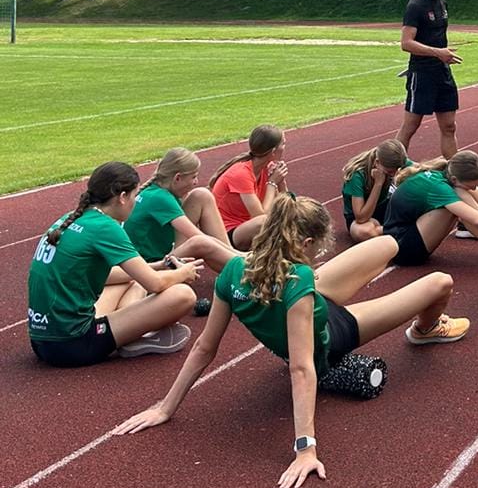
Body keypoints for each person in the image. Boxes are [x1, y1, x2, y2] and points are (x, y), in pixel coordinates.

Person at [114, 196, 470, 488]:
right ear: (307, 244)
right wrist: (305, 448)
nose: (320, 253)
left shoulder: (236, 271)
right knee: (440, 282)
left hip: (305, 299)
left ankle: (386, 306)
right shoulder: (298, 279)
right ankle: (426, 329)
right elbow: (301, 368)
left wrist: (165, 407)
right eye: (318, 248)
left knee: (387, 243)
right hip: (333, 334)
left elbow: (205, 347)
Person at [28, 161, 200, 366]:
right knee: (183, 295)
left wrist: (157, 265)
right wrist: (184, 273)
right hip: (74, 344)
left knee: (132, 281)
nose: (135, 202)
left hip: (42, 341)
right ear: (122, 197)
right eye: (134, 195)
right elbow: (155, 284)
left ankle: (129, 336)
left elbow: (110, 276)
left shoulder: (71, 218)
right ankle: (133, 338)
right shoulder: (106, 227)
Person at [124, 147, 234, 276]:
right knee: (200, 242)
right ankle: (239, 265)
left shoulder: (156, 191)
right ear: (177, 178)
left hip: (153, 259)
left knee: (201, 195)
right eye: (193, 177)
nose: (196, 182)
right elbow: (198, 237)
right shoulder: (161, 198)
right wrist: (241, 256)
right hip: (151, 267)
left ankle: (234, 258)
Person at [381, 149, 478, 264]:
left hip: (404, 235)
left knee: (462, 194)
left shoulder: (446, 174)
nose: (474, 189)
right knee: (458, 203)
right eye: (472, 186)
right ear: (454, 179)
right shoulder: (439, 187)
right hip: (403, 248)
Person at [397, 0, 461, 158]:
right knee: (411, 126)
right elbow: (406, 43)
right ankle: (389, 168)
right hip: (422, 73)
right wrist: (438, 53)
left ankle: (454, 171)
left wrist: (444, 53)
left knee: (449, 126)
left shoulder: (442, 4)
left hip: (442, 72)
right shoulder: (416, 5)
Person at [211, 125, 288, 249]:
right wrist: (272, 183)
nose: (285, 147)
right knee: (264, 223)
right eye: (283, 144)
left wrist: (281, 182)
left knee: (292, 216)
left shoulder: (267, 168)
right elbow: (260, 217)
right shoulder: (241, 174)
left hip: (246, 227)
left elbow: (285, 206)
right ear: (273, 152)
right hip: (226, 233)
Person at [341, 138, 407, 242]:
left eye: (396, 170)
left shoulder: (394, 164)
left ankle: (390, 230)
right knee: (362, 232)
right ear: (377, 162)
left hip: (384, 208)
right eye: (389, 172)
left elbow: (418, 169)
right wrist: (378, 183)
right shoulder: (357, 175)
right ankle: (397, 230)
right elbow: (361, 218)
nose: (393, 175)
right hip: (362, 219)